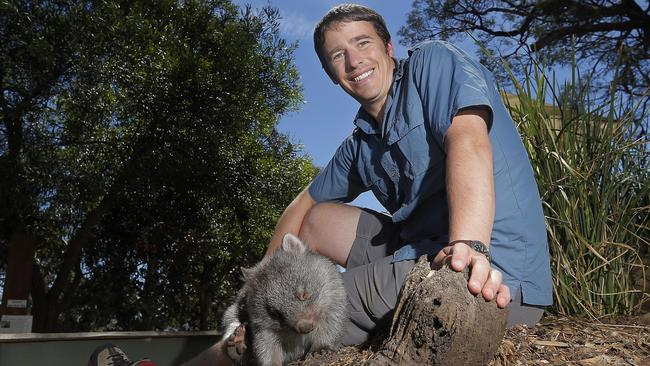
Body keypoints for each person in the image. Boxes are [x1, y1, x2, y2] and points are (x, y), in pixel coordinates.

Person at [91, 3, 553, 366]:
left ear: (388, 48)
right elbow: (302, 205)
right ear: (333, 74)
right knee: (314, 220)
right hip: (419, 251)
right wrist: (260, 289)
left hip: (493, 269)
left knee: (305, 313)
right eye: (338, 55)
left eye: (362, 43)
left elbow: (469, 141)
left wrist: (471, 246)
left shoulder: (434, 62)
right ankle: (256, 318)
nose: (354, 61)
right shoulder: (360, 142)